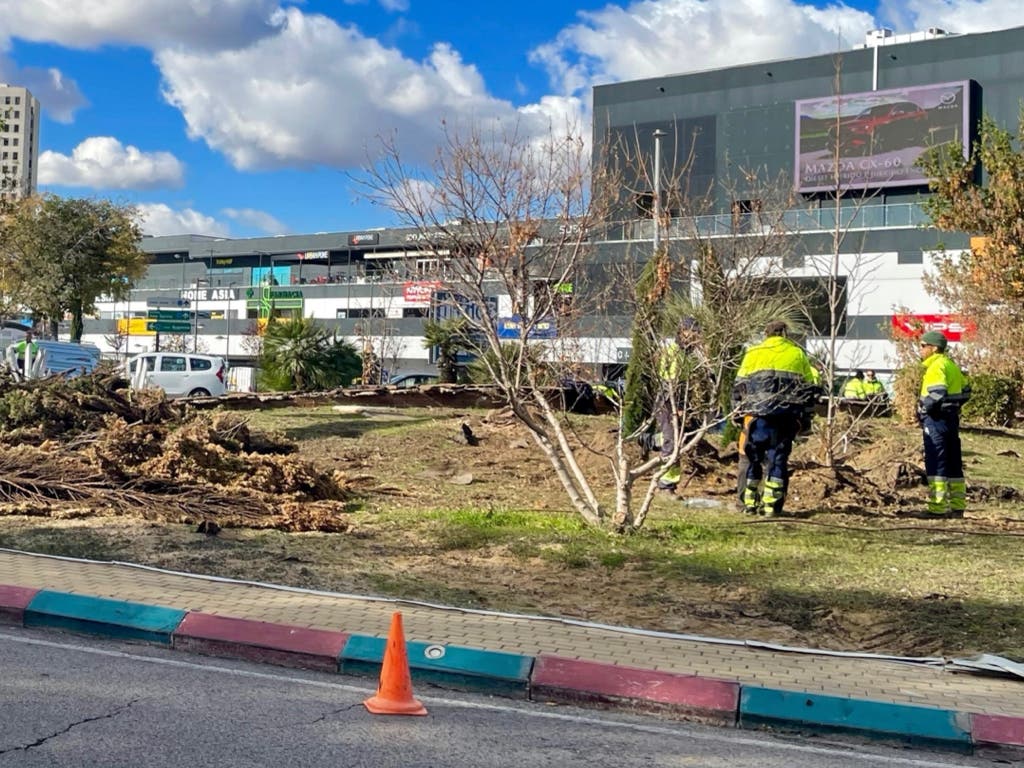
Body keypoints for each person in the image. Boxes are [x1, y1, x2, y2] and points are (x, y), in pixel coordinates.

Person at [732, 320, 820, 517]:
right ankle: (772, 508)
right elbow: (809, 389)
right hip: (785, 420)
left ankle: (748, 505)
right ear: (785, 334)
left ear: (766, 334)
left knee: (752, 459)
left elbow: (738, 387)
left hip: (757, 418)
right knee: (777, 461)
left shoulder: (754, 352)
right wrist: (805, 419)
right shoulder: (797, 354)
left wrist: (737, 415)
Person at [917, 330, 971, 518]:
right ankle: (958, 506)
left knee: (936, 460)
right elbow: (966, 390)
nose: (920, 349)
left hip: (935, 419)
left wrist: (924, 409)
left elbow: (937, 392)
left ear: (934, 348)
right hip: (951, 419)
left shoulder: (936, 366)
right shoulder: (951, 365)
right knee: (953, 461)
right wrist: (954, 405)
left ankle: (937, 508)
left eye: (923, 346)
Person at [654, 317, 706, 494]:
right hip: (668, 402)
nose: (696, 336)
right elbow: (671, 384)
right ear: (683, 331)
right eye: (693, 332)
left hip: (677, 402)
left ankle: (668, 481)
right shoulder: (674, 352)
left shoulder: (689, 354)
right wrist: (678, 406)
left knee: (675, 442)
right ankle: (665, 485)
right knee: (671, 441)